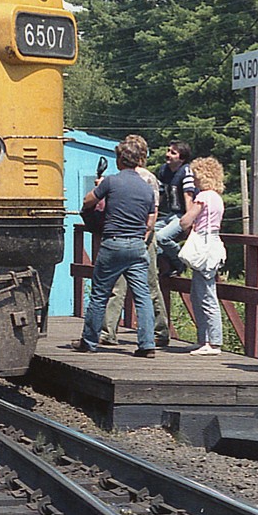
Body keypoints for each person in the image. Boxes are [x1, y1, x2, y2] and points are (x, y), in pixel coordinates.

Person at [74, 138, 158, 357]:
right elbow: (150, 221)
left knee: (100, 293)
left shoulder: (111, 181)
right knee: (142, 296)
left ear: (120, 159)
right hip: (138, 246)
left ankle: (89, 341)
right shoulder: (147, 188)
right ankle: (147, 344)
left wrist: (99, 191)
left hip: (113, 243)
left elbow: (87, 201)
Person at [99, 135, 169, 347]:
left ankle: (159, 330)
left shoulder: (146, 178)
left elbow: (153, 212)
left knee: (145, 285)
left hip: (139, 238)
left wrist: (145, 236)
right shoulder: (125, 177)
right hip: (135, 236)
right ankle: (110, 331)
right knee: (124, 286)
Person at [177, 156, 225, 356]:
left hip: (203, 245)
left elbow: (185, 221)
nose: (194, 180)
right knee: (201, 293)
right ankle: (205, 339)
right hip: (213, 243)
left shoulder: (203, 197)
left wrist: (187, 206)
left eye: (196, 175)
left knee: (205, 295)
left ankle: (213, 342)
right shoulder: (217, 198)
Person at [154, 141, 197, 276]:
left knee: (161, 237)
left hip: (182, 215)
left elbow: (188, 196)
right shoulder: (164, 170)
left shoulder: (186, 171)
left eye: (173, 153)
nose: (168, 155)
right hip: (170, 214)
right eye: (168, 151)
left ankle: (179, 261)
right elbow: (160, 195)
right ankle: (166, 261)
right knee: (149, 234)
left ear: (182, 158)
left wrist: (189, 220)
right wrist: (152, 214)